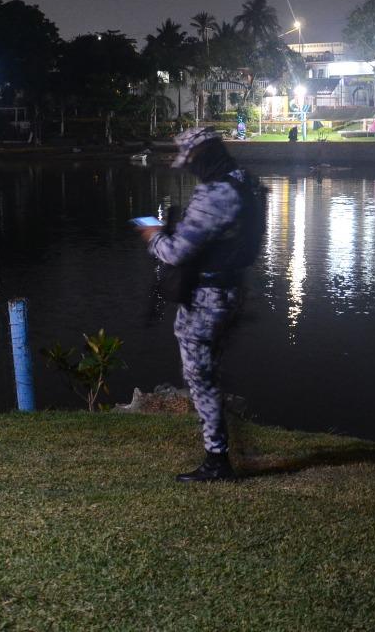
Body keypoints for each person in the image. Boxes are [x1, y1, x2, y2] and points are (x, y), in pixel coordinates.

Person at [137, 127, 265, 482]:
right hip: (232, 289)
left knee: (200, 376)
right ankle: (221, 445)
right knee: (211, 370)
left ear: (203, 158)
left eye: (191, 163)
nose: (190, 170)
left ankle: (217, 459)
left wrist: (153, 235)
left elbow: (177, 252)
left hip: (207, 297)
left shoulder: (215, 194)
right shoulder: (245, 182)